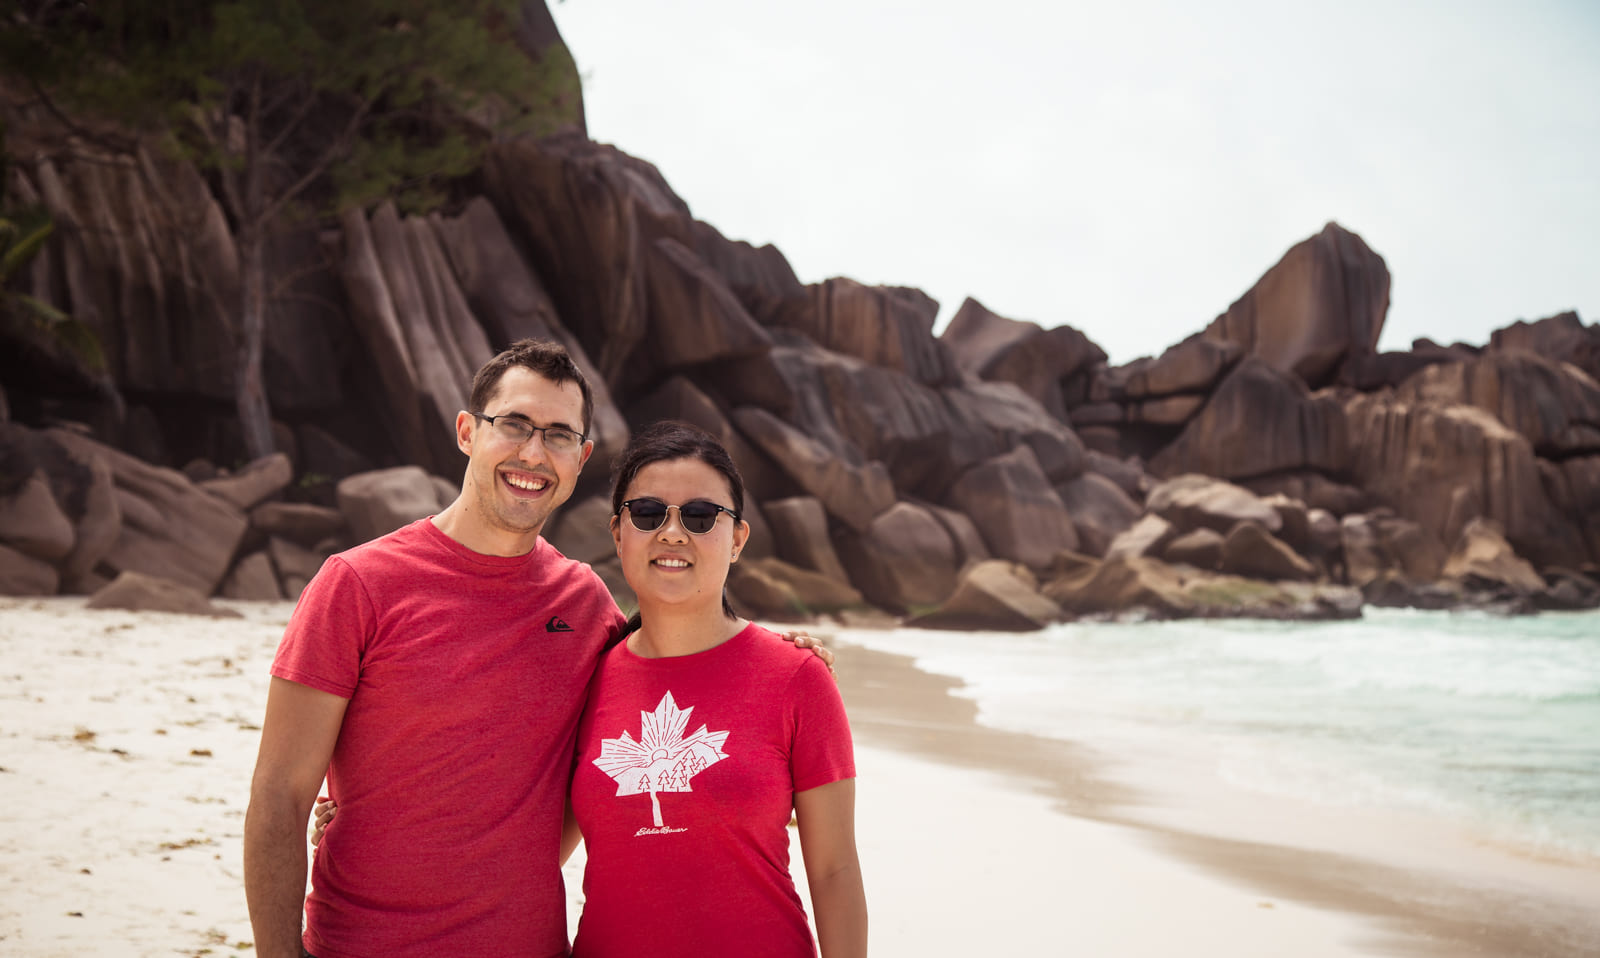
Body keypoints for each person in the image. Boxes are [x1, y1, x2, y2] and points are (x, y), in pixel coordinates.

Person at [244, 340, 827, 958]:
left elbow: (677, 666)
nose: (532, 452)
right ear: (468, 431)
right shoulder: (357, 584)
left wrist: (780, 655)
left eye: (556, 435)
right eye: (514, 424)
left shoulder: (586, 605)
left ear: (581, 459)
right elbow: (280, 793)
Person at [571, 421, 865, 956]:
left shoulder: (799, 677)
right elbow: (538, 852)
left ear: (737, 539)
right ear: (618, 533)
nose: (674, 532)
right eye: (648, 513)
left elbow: (835, 869)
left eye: (702, 516)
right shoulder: (583, 679)